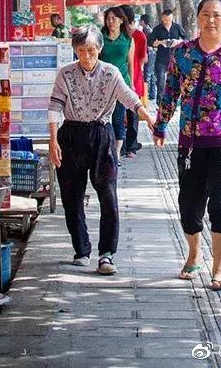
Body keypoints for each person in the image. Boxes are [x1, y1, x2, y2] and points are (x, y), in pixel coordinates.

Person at [153, 0, 221, 291]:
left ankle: (219, 269)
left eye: (217, 15)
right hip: (190, 142)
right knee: (189, 205)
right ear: (197, 18)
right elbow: (169, 92)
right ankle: (193, 254)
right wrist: (161, 125)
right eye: (205, 14)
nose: (210, 20)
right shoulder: (182, 54)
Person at [48, 25, 154, 275]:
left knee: (108, 194)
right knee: (71, 197)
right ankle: (81, 249)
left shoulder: (111, 73)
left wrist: (144, 113)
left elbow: (127, 96)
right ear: (75, 50)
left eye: (92, 50)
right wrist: (53, 140)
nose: (87, 56)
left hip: (101, 134)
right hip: (70, 135)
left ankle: (106, 254)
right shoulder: (65, 74)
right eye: (82, 51)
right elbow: (54, 106)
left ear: (100, 49)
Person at [100, 7, 135, 163]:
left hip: (122, 84)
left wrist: (132, 85)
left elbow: (130, 64)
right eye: (108, 18)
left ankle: (116, 153)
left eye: (114, 18)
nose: (111, 21)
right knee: (102, 119)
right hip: (102, 84)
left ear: (122, 20)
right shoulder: (100, 38)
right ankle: (103, 150)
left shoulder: (128, 39)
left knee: (118, 119)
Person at [121, 5, 147, 154]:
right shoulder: (115, 36)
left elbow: (143, 59)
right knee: (118, 113)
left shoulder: (139, 36)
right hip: (120, 78)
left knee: (133, 113)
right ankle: (122, 145)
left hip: (135, 77)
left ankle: (131, 145)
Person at [148, 9, 186, 105]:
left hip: (175, 58)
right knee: (160, 82)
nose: (167, 22)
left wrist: (178, 42)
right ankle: (160, 103)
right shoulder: (157, 28)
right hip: (161, 58)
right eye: (165, 19)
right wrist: (160, 42)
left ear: (172, 18)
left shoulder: (177, 27)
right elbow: (150, 42)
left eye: (169, 20)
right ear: (162, 18)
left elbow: (186, 39)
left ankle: (175, 102)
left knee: (175, 81)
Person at [139, 15, 157, 100]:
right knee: (151, 74)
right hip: (151, 53)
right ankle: (152, 95)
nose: (139, 21)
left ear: (143, 21)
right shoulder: (147, 30)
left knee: (147, 74)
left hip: (149, 53)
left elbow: (147, 44)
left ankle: (146, 95)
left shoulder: (147, 31)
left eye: (140, 20)